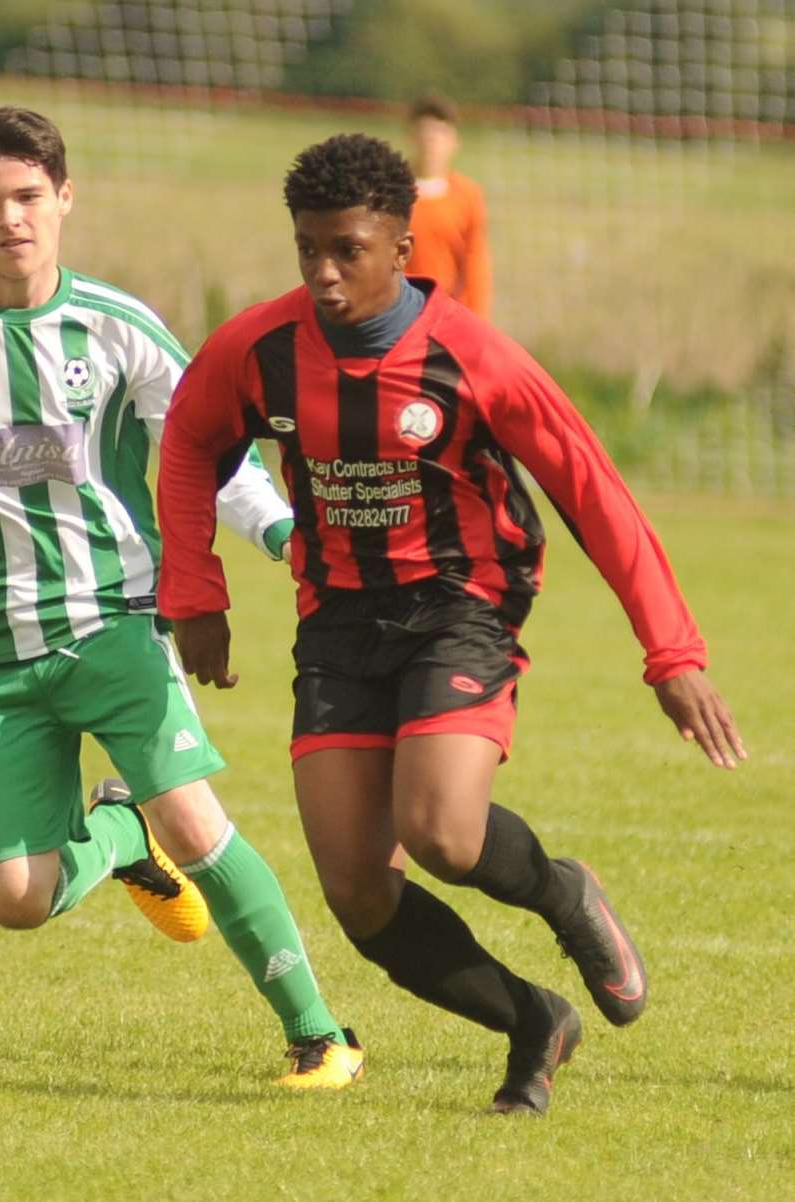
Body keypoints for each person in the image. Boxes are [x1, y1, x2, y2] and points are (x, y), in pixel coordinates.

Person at [156, 132, 746, 1115]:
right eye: (307, 248)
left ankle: (562, 892)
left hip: (459, 609)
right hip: (337, 621)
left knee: (438, 829)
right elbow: (189, 439)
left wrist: (670, 652)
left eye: (346, 248)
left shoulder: (472, 356)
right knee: (356, 889)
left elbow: (590, 490)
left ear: (401, 245)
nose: (324, 271)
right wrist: (194, 593)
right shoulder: (259, 350)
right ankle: (532, 1019)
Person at [0, 107, 365, 1088]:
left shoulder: (115, 326)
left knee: (197, 821)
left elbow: (204, 446)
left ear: (63, 196)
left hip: (114, 621)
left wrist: (280, 530)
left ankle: (320, 1034)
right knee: (12, 896)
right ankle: (118, 829)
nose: (8, 219)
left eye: (26, 197)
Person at [403, 92, 492, 318]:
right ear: (412, 136)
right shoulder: (391, 192)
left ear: (454, 142)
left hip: (450, 314)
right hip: (402, 315)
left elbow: (475, 261)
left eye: (439, 135)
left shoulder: (467, 194)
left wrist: (475, 317)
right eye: (425, 133)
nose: (431, 142)